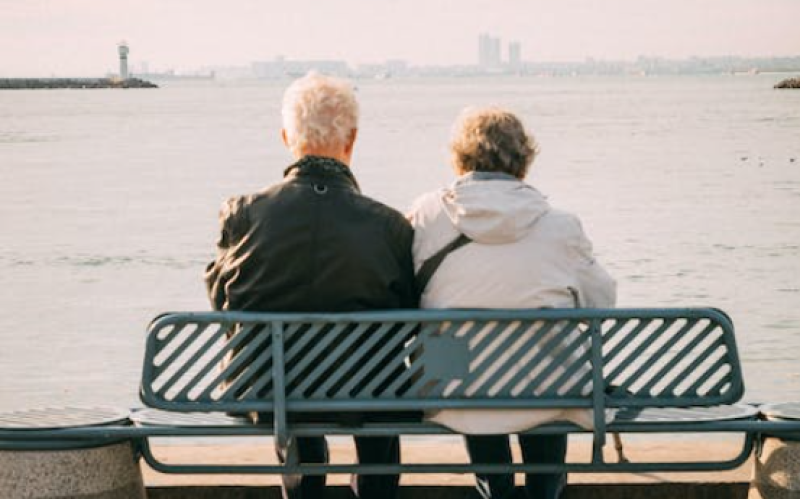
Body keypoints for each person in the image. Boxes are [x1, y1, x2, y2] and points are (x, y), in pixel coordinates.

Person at [205, 72, 417, 499]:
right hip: (366, 392)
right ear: (351, 139)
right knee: (378, 384)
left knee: (289, 373)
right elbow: (409, 313)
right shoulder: (389, 226)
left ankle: (304, 489)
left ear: (286, 136)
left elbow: (222, 301)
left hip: (268, 391)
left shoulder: (243, 214)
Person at [407, 107, 616, 499]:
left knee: (460, 362)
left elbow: (407, 296)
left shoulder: (427, 214)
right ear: (524, 160)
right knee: (547, 367)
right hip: (546, 391)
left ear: (459, 157)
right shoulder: (561, 226)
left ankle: (496, 488)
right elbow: (600, 302)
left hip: (455, 391)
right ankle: (543, 489)